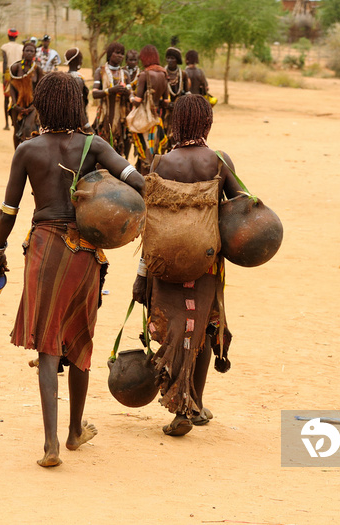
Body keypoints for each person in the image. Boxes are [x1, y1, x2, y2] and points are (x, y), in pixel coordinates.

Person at [0, 72, 145, 467]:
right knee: (79, 338)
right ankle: (76, 431)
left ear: (41, 104)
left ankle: (51, 445)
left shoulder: (28, 150)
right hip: (84, 252)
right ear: (78, 105)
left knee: (47, 347)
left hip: (43, 249)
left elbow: (9, 210)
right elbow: (137, 181)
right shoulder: (95, 146)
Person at [133, 94, 240, 436]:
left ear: (174, 123)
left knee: (172, 329)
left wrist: (141, 276)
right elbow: (240, 206)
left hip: (164, 263)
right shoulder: (219, 161)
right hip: (206, 264)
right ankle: (194, 403)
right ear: (207, 123)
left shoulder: (161, 163)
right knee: (204, 328)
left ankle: (179, 403)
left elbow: (150, 222)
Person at [130, 44, 169, 174]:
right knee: (156, 151)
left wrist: (129, 95)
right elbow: (166, 101)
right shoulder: (164, 74)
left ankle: (145, 182)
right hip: (157, 119)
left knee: (146, 154)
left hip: (145, 120)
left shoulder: (144, 75)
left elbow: (137, 101)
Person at [92, 42, 131, 156]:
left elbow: (130, 95)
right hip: (105, 118)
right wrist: (110, 91)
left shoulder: (125, 74)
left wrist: (126, 92)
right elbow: (94, 94)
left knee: (121, 147)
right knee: (102, 147)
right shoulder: (100, 71)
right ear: (110, 54)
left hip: (121, 119)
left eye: (122, 54)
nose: (120, 56)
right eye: (117, 53)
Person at [9, 42, 44, 148]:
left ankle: (26, 154)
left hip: (32, 106)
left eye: (31, 51)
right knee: (16, 131)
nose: (29, 53)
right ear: (23, 52)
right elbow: (11, 87)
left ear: (35, 54)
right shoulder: (16, 67)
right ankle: (17, 154)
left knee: (28, 128)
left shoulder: (37, 70)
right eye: (27, 51)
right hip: (17, 104)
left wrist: (33, 107)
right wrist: (15, 105)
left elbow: (40, 89)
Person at [163, 47, 189, 149]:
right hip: (164, 111)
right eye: (168, 58)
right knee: (163, 137)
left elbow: (187, 93)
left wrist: (179, 104)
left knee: (176, 137)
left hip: (178, 111)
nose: (170, 61)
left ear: (177, 60)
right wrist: (165, 103)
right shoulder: (162, 73)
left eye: (172, 58)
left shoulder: (183, 74)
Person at [1, 28, 23, 131]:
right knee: (18, 98)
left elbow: (5, 62)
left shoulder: (4, 47)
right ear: (16, 36)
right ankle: (17, 121)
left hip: (8, 73)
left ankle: (7, 124)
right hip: (19, 74)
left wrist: (3, 76)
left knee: (6, 98)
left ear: (8, 36)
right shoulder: (21, 47)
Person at [64, 47, 91, 130]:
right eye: (81, 59)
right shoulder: (77, 80)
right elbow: (78, 105)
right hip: (76, 123)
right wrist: (86, 125)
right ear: (78, 61)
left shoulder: (64, 77)